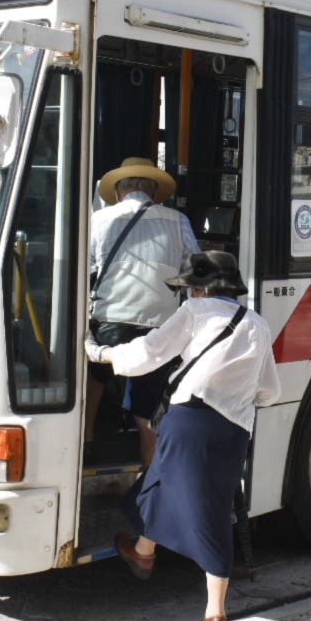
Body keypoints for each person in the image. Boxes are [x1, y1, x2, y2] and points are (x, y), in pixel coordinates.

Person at [86, 250, 279, 621]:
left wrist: (102, 353)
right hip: (234, 431)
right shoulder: (258, 325)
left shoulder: (196, 312)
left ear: (201, 288)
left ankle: (145, 553)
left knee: (164, 484)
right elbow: (270, 391)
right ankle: (213, 611)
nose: (188, 294)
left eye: (190, 287)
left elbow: (149, 352)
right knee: (207, 500)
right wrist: (237, 398)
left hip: (190, 418)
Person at [87, 157, 198, 467]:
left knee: (95, 376)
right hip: (159, 328)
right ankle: (151, 478)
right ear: (152, 190)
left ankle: (87, 437)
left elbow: (88, 268)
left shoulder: (100, 219)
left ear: (121, 191)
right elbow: (194, 268)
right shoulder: (178, 221)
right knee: (146, 411)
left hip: (109, 322)